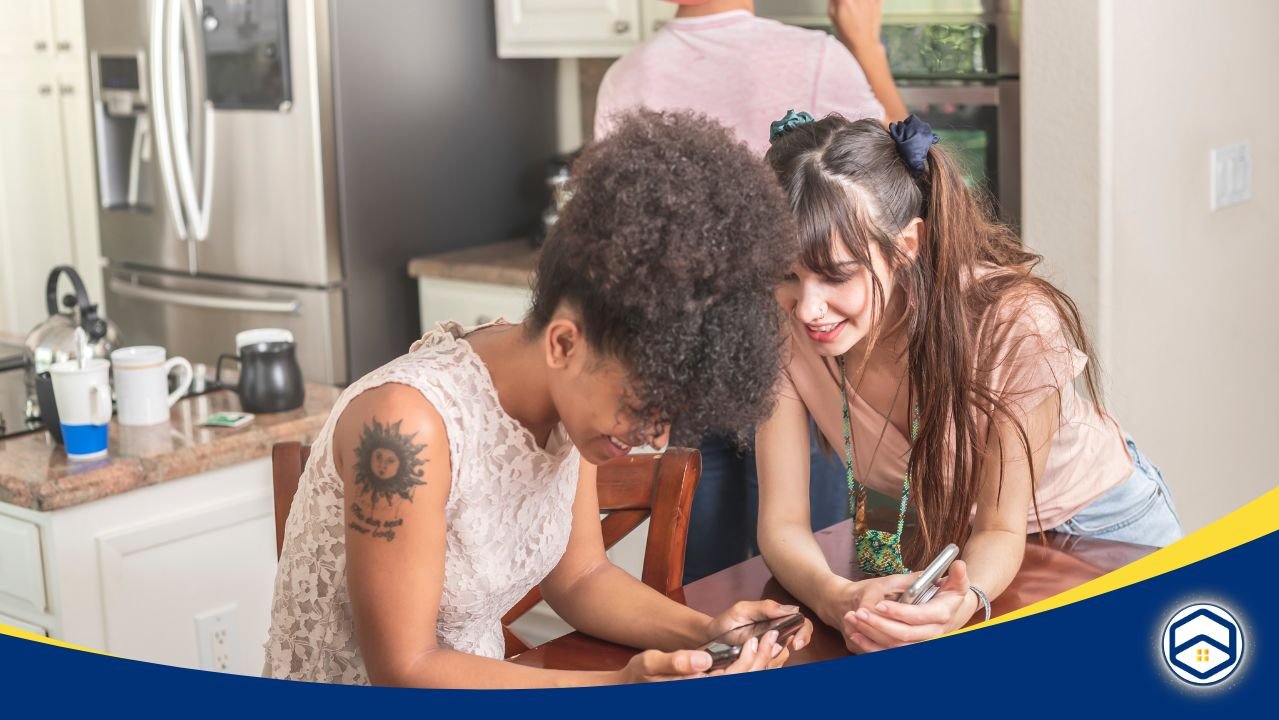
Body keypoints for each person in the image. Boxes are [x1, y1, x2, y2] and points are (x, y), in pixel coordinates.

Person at [263, 110, 812, 687]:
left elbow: (581, 578)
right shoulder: (404, 428)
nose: (655, 437)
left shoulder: (571, 403)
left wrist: (707, 636)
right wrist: (615, 686)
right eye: (644, 405)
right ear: (564, 342)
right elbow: (405, 669)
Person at [755, 111, 1182, 653]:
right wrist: (834, 597)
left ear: (907, 244)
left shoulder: (1012, 321)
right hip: (950, 540)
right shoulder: (782, 326)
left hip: (1094, 531)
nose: (809, 308)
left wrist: (965, 599)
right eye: (787, 275)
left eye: (836, 274)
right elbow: (782, 522)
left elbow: (1001, 529)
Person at [594, 0, 908, 583]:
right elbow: (904, 180)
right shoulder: (818, 55)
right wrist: (866, 45)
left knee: (697, 571)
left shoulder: (628, 76)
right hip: (800, 345)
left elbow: (621, 242)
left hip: (686, 355)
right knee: (812, 565)